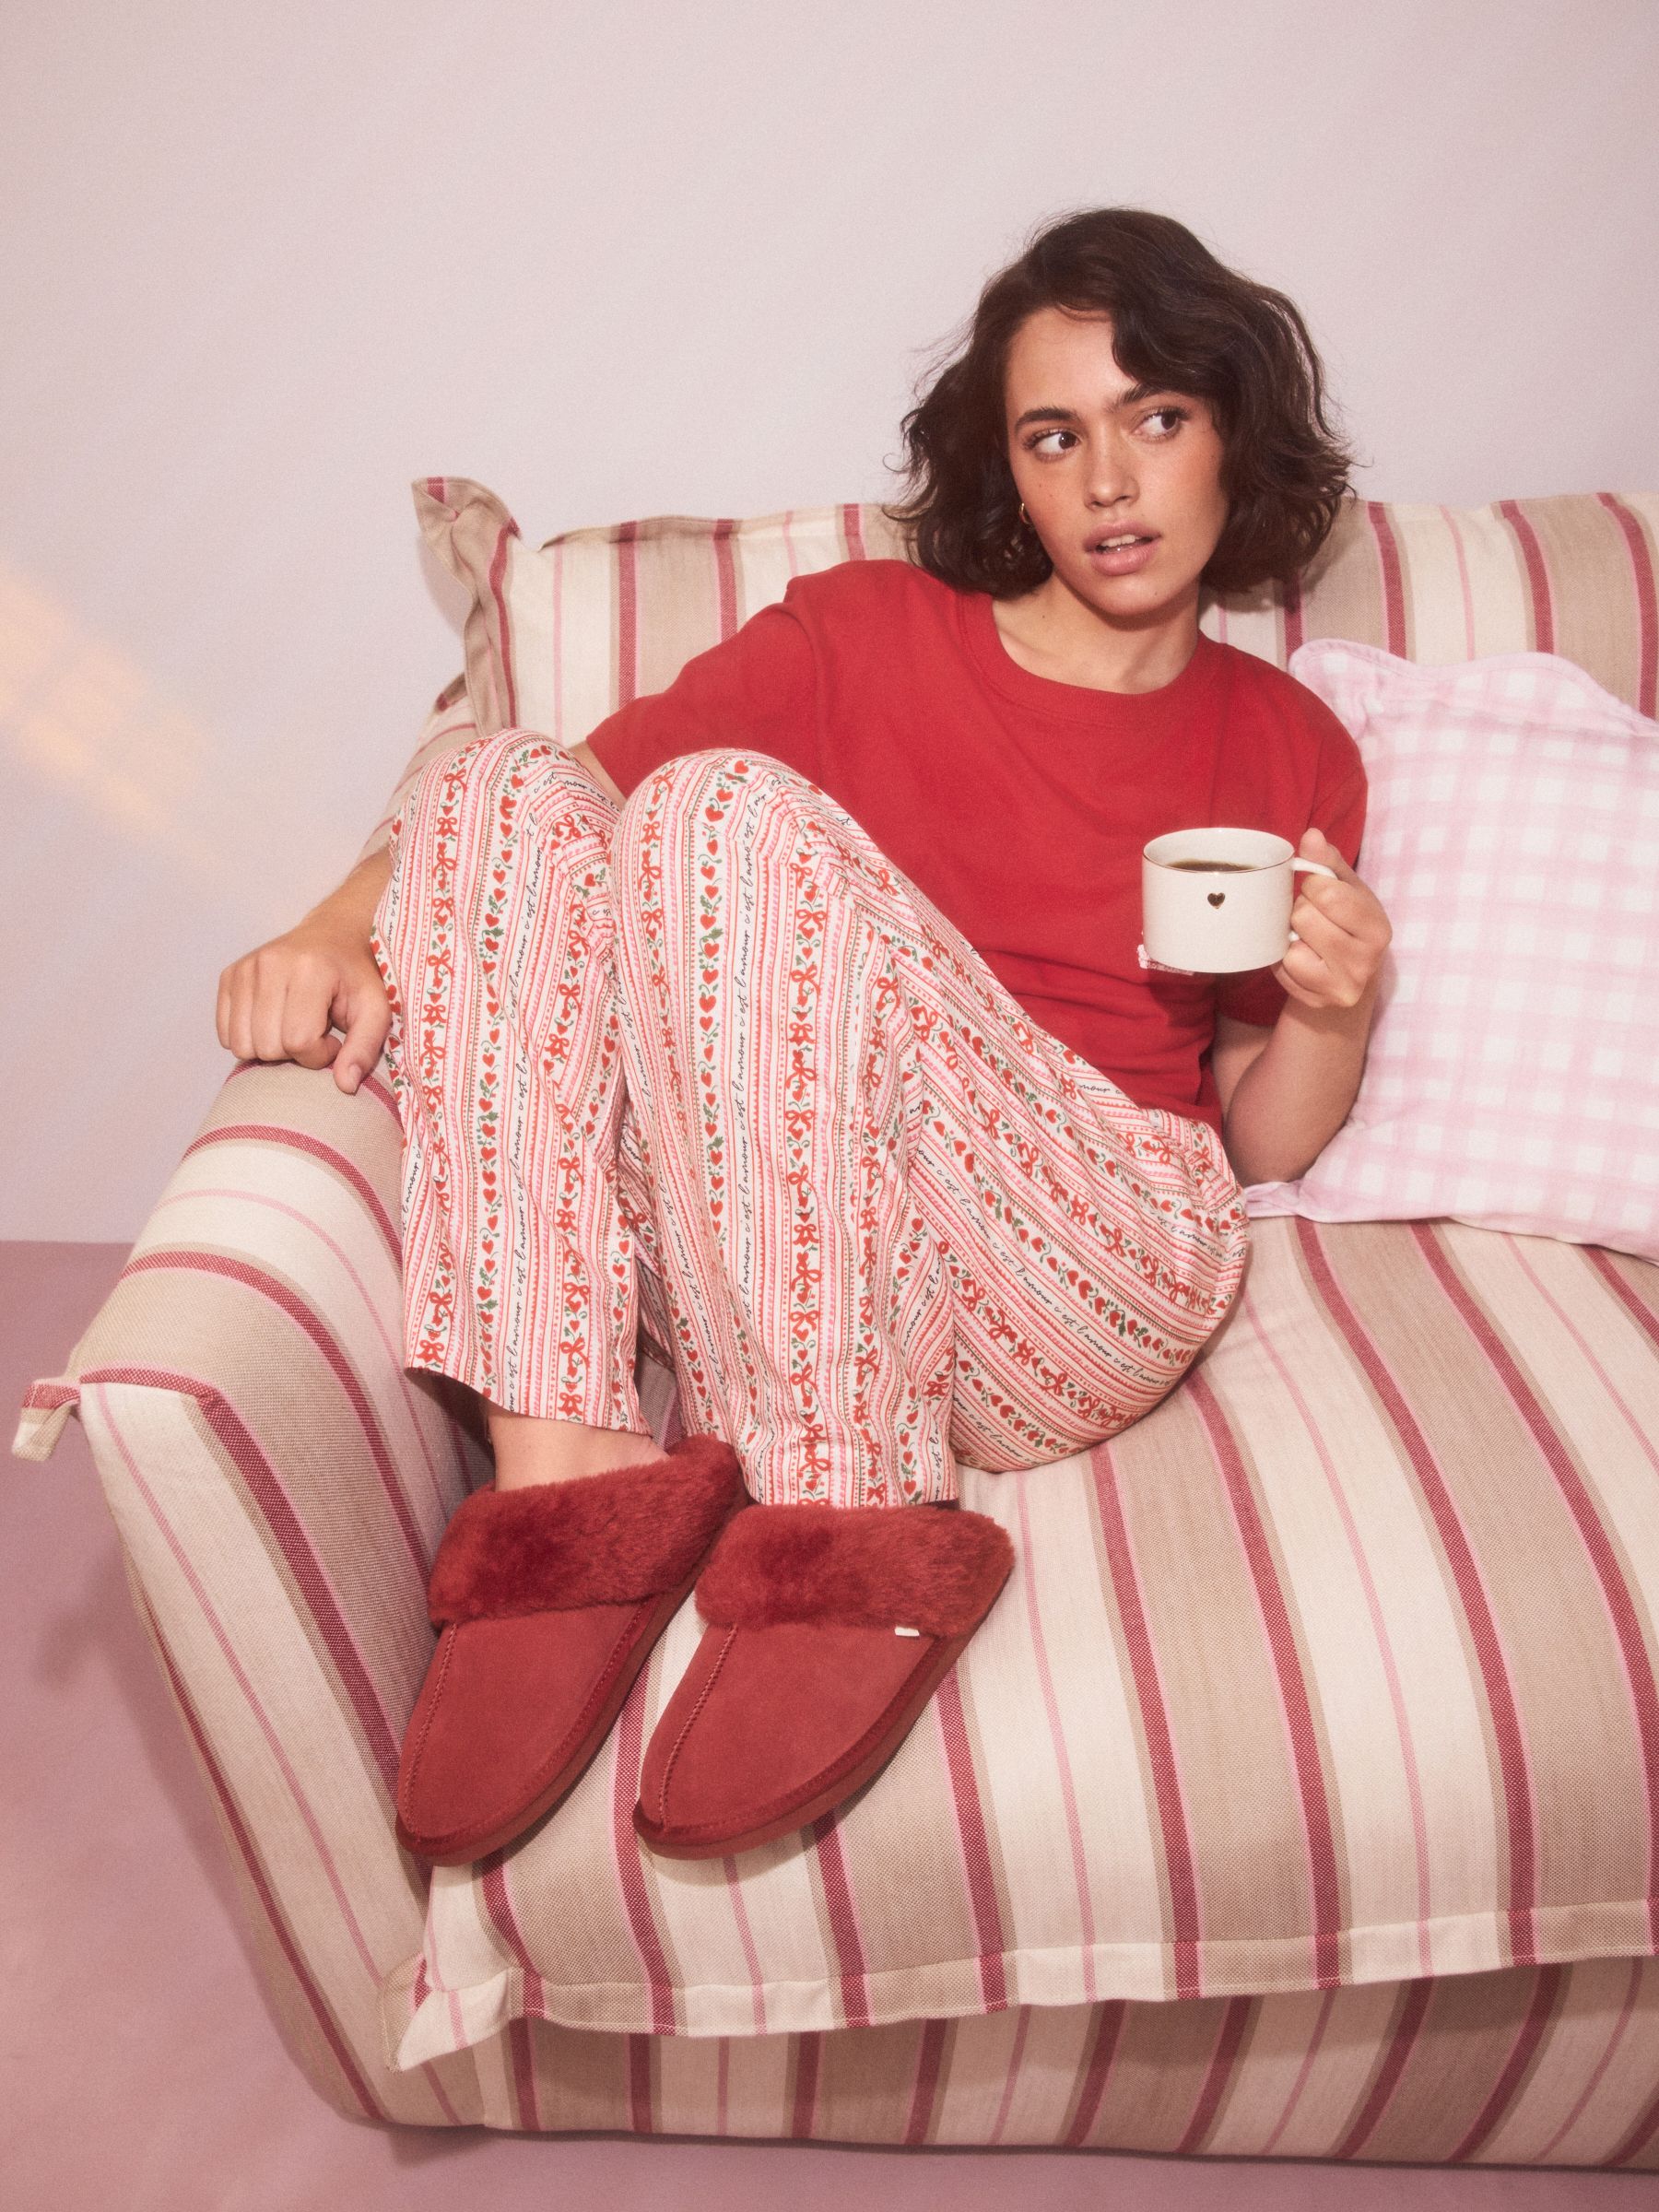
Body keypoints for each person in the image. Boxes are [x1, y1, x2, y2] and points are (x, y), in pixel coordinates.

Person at [216, 207, 1392, 1868]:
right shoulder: (864, 632)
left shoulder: (1288, 740)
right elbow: (550, 809)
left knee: (721, 813)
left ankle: (849, 1508)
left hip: (1086, 1259)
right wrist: (343, 923)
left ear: (1230, 437)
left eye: (1158, 419)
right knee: (498, 783)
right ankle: (567, 1472)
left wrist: (1336, 1009)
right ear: (1012, 470)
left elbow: (1259, 1140)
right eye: (1058, 436)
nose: (1111, 482)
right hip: (801, 1262)